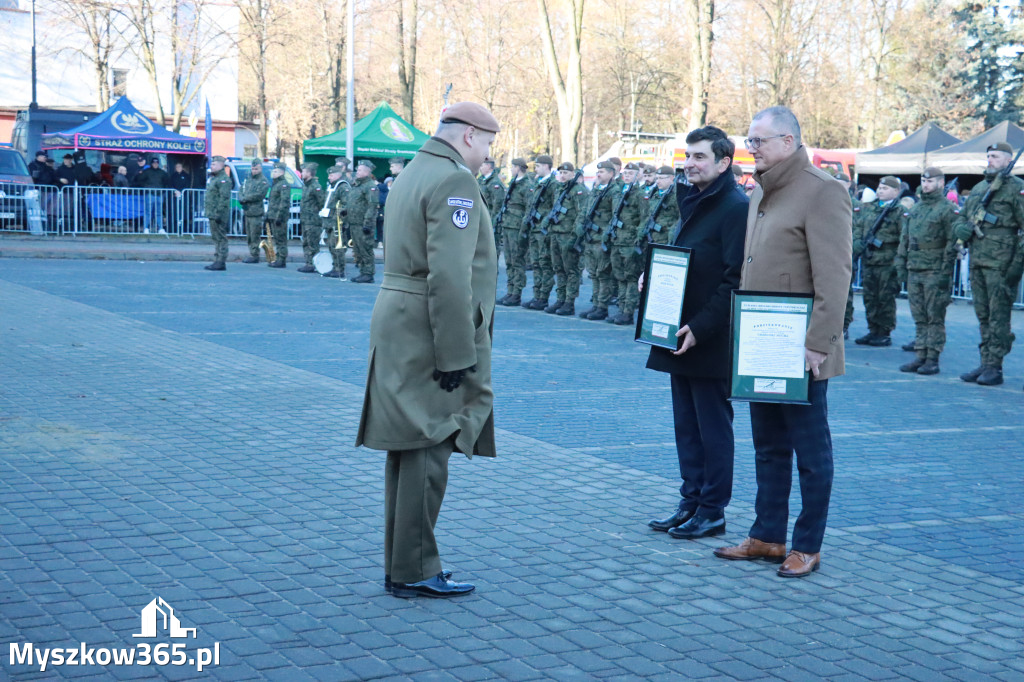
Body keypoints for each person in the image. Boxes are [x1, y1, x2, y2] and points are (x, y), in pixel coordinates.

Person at [355, 101, 499, 599]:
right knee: (429, 444)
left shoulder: (413, 171)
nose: (486, 155)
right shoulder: (454, 180)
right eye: (486, 144)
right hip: (429, 327)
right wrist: (457, 354)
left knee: (408, 446)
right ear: (467, 137)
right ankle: (415, 567)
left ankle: (405, 564)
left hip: (401, 318)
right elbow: (450, 277)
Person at [713, 106, 851, 578]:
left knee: (811, 453)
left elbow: (835, 277)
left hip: (801, 350)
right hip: (761, 345)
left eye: (760, 140)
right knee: (768, 446)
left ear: (789, 141)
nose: (750, 147)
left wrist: (820, 343)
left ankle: (807, 544)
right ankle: (768, 536)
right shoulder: (759, 193)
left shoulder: (823, 192)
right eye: (750, 140)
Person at [646, 126, 748, 539]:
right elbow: (686, 260)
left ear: (724, 162)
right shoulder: (693, 200)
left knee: (713, 428)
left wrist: (701, 327)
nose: (690, 164)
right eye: (688, 156)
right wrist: (652, 278)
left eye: (700, 157)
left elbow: (735, 279)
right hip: (679, 331)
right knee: (687, 427)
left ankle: (712, 511)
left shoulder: (734, 207)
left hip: (708, 337)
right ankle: (690, 501)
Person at [955, 142, 1024, 387]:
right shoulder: (979, 187)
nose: (990, 160)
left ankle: (995, 366)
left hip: (1001, 265)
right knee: (983, 316)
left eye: (995, 156)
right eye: (988, 156)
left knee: (998, 318)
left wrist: (1016, 266)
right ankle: (985, 362)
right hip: (978, 261)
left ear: (1008, 160)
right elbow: (963, 218)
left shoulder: (1016, 189)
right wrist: (960, 229)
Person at [895, 167, 959, 375]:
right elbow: (905, 237)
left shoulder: (946, 209)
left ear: (941, 183)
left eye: (930, 181)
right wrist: (901, 262)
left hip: (934, 269)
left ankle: (932, 358)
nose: (926, 185)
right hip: (915, 267)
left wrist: (945, 271)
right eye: (923, 181)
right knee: (919, 315)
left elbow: (952, 242)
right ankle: (920, 354)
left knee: (935, 316)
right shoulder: (917, 207)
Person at [852, 176, 904, 346]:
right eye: (880, 188)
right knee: (870, 297)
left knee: (885, 298)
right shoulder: (870, 208)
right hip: (870, 260)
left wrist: (898, 261)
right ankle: (873, 329)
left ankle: (884, 332)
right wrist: (857, 242)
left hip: (887, 263)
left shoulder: (899, 211)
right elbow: (859, 226)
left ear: (896, 191)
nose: (881, 191)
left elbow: (904, 237)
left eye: (885, 188)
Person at [542, 162, 588, 315]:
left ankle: (569, 302)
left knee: (571, 271)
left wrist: (575, 236)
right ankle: (560, 299)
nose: (562, 176)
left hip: (568, 236)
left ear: (573, 174)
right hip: (556, 234)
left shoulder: (579, 191)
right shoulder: (559, 189)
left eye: (566, 173)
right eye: (561, 173)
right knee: (559, 269)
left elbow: (582, 214)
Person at [577, 160, 621, 321]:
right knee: (594, 274)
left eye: (602, 172)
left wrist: (607, 236)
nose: (598, 174)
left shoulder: (614, 191)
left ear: (611, 173)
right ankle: (595, 304)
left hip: (602, 238)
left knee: (603, 275)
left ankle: (602, 307)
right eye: (598, 172)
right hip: (590, 238)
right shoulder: (596, 190)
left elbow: (616, 215)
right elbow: (586, 210)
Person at [606, 162, 646, 325]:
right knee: (619, 277)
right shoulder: (619, 192)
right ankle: (621, 309)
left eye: (631, 173)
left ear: (638, 175)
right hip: (617, 240)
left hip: (630, 242)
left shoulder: (640, 194)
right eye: (626, 173)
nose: (627, 175)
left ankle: (628, 312)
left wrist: (638, 238)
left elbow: (644, 218)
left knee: (630, 277)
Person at [522, 155, 556, 309]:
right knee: (536, 264)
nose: (536, 169)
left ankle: (543, 297)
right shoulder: (538, 182)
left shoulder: (553, 184)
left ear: (546, 166)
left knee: (544, 263)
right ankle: (537, 296)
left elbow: (553, 208)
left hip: (543, 230)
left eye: (538, 166)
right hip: (534, 228)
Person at [497, 158, 532, 306]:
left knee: (517, 261)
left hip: (517, 228)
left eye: (513, 167)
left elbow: (529, 209)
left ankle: (516, 293)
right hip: (508, 226)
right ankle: (510, 291)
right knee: (509, 261)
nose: (511, 170)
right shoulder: (514, 183)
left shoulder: (527, 185)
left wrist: (523, 230)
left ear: (519, 168)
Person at [348, 160, 381, 283]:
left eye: (360, 170)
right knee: (358, 249)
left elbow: (372, 206)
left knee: (365, 249)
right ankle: (363, 271)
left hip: (363, 224)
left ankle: (368, 273)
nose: (357, 172)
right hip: (354, 222)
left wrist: (367, 223)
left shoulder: (370, 186)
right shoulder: (358, 185)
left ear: (367, 172)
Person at [638, 166, 681, 251]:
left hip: (665, 241)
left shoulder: (678, 195)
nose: (658, 181)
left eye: (661, 178)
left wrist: (671, 237)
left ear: (672, 178)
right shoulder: (654, 194)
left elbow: (680, 219)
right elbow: (646, 215)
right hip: (649, 240)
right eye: (657, 178)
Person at [320, 164, 351, 279]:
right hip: (329, 221)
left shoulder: (343, 187)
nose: (329, 177)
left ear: (338, 175)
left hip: (337, 222)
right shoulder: (332, 186)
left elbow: (346, 204)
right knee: (331, 246)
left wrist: (340, 220)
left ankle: (339, 269)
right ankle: (335, 267)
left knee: (337, 247)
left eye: (331, 175)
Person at [239, 160, 270, 263]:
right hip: (247, 211)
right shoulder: (248, 179)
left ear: (260, 169)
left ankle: (255, 254)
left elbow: (260, 194)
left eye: (256, 169)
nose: (254, 171)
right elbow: (241, 189)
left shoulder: (263, 181)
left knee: (255, 235)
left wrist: (246, 198)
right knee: (249, 235)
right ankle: (251, 252)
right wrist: (241, 197)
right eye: (253, 169)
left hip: (256, 212)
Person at [204, 156, 232, 270]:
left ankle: (221, 261)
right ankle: (217, 260)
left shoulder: (224, 180)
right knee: (216, 238)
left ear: (221, 166)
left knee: (220, 238)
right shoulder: (215, 179)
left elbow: (223, 199)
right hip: (212, 213)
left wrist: (219, 214)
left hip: (218, 214)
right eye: (212, 164)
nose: (211, 166)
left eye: (214, 164)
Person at [296, 162, 325, 274]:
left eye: (303, 171)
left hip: (313, 220)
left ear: (309, 173)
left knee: (312, 243)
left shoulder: (315, 186)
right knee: (306, 242)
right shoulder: (306, 185)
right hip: (305, 219)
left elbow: (321, 202)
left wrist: (316, 215)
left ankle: (313, 263)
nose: (302, 173)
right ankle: (308, 263)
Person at [477, 158, 506, 257]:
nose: (480, 168)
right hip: (480, 219)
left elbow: (497, 206)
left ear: (489, 167)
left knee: (492, 249)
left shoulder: (495, 183)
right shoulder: (480, 180)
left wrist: (492, 223)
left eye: (482, 165)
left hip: (491, 221)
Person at [134, 157, 170, 234]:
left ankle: (160, 228)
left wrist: (163, 189)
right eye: (154, 163)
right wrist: (146, 186)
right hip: (150, 194)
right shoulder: (147, 171)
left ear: (158, 164)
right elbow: (139, 180)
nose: (155, 164)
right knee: (148, 212)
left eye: (156, 163)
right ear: (151, 163)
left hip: (159, 194)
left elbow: (167, 181)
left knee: (159, 212)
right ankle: (146, 228)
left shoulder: (162, 172)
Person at [266, 163, 291, 268]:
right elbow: (272, 201)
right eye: (273, 171)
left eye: (276, 171)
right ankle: (278, 258)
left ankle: (281, 259)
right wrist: (268, 215)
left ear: (281, 173)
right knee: (277, 238)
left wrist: (280, 216)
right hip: (273, 215)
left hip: (279, 216)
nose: (273, 173)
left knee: (281, 239)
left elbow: (284, 202)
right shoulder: (276, 184)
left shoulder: (283, 184)